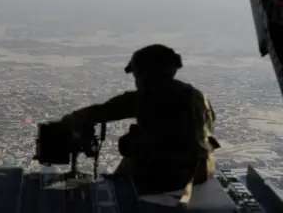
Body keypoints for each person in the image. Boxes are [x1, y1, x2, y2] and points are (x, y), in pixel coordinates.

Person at [60, 44, 220, 198]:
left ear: (147, 74)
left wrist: (68, 121)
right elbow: (209, 127)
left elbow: (101, 112)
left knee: (130, 149)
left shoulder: (147, 98)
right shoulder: (197, 96)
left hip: (168, 177)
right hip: (201, 171)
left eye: (137, 75)